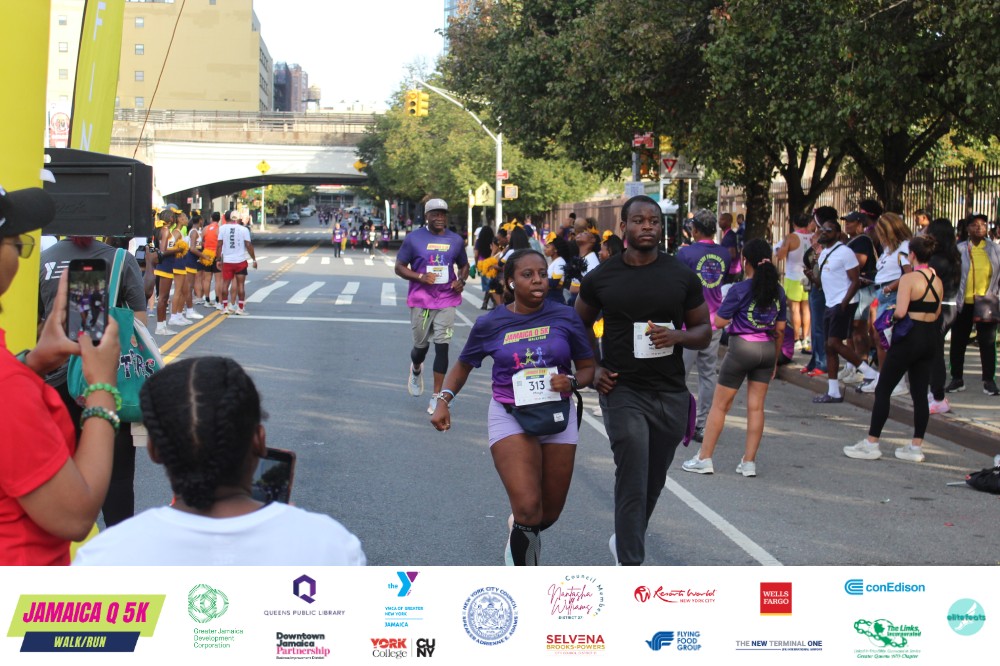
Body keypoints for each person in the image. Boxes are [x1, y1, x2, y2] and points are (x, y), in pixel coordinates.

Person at [73, 357, 366, 565]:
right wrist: (292, 527)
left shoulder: (104, 557)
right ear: (259, 441)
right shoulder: (332, 546)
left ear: (153, 450)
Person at [430, 250, 595, 565]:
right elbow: (463, 365)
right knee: (529, 509)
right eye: (527, 275)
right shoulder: (491, 323)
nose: (537, 280)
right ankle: (524, 575)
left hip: (557, 415)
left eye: (542, 274)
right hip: (510, 416)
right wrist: (443, 400)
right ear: (510, 282)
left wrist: (571, 381)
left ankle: (519, 528)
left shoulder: (565, 316)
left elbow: (588, 369)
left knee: (548, 514)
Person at [575, 195, 711, 566]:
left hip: (670, 392)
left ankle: (625, 538)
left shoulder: (680, 275)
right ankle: (630, 563)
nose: (647, 226)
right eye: (638, 220)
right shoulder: (603, 276)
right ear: (624, 227)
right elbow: (579, 323)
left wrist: (678, 336)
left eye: (653, 220)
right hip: (622, 389)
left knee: (653, 480)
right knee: (633, 471)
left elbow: (703, 330)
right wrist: (594, 368)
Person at [0, 186, 121, 565]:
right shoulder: (9, 389)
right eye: (15, 242)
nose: (19, 253)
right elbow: (75, 517)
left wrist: (34, 363)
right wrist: (102, 388)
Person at [39, 235, 147, 528]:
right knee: (118, 478)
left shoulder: (43, 259)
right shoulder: (120, 259)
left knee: (58, 470)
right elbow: (139, 322)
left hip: (55, 382)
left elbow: (37, 324)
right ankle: (118, 547)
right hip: (106, 378)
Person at [681, 239, 786, 477]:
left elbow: (719, 321)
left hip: (742, 349)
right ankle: (749, 462)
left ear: (745, 261)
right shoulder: (778, 291)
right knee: (756, 408)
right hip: (767, 350)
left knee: (720, 406)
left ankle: (704, 458)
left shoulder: (739, 289)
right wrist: (775, 361)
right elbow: (780, 329)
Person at [844, 236, 943, 462]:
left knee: (883, 389)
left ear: (912, 255)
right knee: (920, 394)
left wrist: (890, 315)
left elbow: (900, 312)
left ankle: (872, 443)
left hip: (910, 336)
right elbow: (937, 312)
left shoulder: (909, 278)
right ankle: (916, 446)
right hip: (930, 337)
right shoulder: (936, 279)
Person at [395, 198, 470, 414]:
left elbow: (464, 265)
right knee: (420, 348)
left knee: (442, 346)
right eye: (435, 214)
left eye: (443, 214)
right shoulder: (414, 239)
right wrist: (420, 277)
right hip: (421, 300)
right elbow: (399, 267)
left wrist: (461, 280)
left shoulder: (455, 240)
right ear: (426, 216)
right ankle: (416, 368)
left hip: (447, 299)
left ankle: (437, 396)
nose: (439, 218)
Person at [806, 211, 878, 403]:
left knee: (834, 343)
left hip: (842, 304)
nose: (824, 232)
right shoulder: (824, 253)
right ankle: (833, 391)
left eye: (828, 230)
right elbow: (822, 284)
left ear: (837, 234)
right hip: (830, 303)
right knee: (829, 347)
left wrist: (844, 303)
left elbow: (855, 281)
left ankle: (870, 373)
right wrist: (811, 277)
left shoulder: (845, 252)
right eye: (822, 229)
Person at [676, 209, 731, 442]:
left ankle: (679, 421)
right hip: (713, 323)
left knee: (680, 374)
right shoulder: (724, 253)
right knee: (708, 375)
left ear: (695, 230)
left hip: (689, 324)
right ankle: (701, 425)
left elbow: (677, 285)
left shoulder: (685, 253)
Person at [860, 212, 913, 394]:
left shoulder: (904, 247)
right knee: (879, 338)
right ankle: (884, 378)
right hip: (883, 293)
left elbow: (908, 274)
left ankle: (897, 382)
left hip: (892, 295)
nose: (878, 234)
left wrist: (890, 288)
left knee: (887, 339)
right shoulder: (889, 248)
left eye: (881, 231)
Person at [947, 213, 1000, 396]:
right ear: (967, 228)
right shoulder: (959, 249)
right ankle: (957, 378)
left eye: (983, 224)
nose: (979, 227)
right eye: (975, 224)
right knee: (958, 341)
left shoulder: (995, 249)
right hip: (964, 302)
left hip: (986, 302)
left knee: (988, 342)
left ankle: (988, 381)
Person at [925, 219, 961, 413]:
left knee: (935, 353)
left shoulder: (938, 260)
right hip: (948, 307)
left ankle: (938, 396)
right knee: (934, 351)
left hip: (941, 308)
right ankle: (934, 393)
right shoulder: (952, 256)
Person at [839, 210, 878, 385]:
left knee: (859, 329)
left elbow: (858, 263)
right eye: (846, 221)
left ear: (861, 224)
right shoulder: (851, 241)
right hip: (853, 290)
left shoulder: (862, 240)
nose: (847, 224)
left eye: (851, 221)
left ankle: (862, 367)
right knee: (851, 330)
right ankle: (851, 365)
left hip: (862, 290)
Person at [775, 214, 813, 353]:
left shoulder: (791, 237)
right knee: (806, 309)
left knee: (795, 309)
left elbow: (780, 256)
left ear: (794, 223)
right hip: (809, 276)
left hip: (793, 277)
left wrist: (779, 249)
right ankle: (806, 338)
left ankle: (797, 339)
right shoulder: (813, 237)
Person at [215, 210, 257, 315]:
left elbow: (219, 245)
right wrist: (254, 259)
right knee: (240, 285)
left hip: (227, 261)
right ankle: (240, 308)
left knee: (225, 284)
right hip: (240, 261)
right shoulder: (244, 229)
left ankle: (225, 307)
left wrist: (218, 259)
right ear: (238, 218)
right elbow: (248, 245)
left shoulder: (222, 228)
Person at [198, 211, 221, 308]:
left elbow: (200, 241)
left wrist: (206, 245)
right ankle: (217, 301)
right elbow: (221, 243)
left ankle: (207, 300)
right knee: (218, 280)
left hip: (206, 255)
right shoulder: (219, 229)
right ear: (219, 219)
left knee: (206, 279)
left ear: (211, 218)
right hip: (216, 254)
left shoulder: (205, 229)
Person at [544, 235, 572, 304]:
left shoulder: (560, 262)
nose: (545, 249)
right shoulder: (554, 261)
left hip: (554, 297)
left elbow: (554, 283)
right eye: (545, 247)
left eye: (547, 247)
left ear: (556, 249)